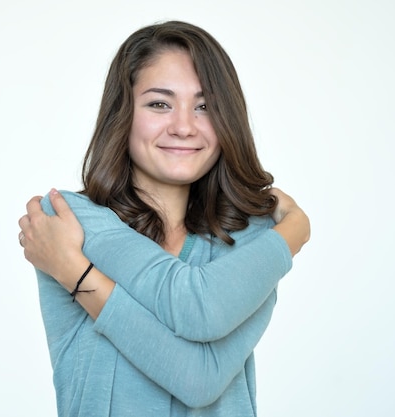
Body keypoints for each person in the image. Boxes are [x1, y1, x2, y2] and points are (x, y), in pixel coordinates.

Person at [18, 20, 310, 417]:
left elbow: (201, 378)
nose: (184, 127)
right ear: (123, 113)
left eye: (204, 107)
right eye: (159, 103)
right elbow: (199, 308)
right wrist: (295, 230)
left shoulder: (252, 238)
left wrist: (80, 276)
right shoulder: (69, 220)